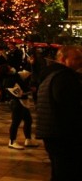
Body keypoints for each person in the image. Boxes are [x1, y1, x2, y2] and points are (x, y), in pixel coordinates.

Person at [36, 46, 82, 181]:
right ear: (63, 59)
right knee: (66, 171)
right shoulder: (64, 77)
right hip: (63, 133)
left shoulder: (51, 75)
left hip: (53, 131)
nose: (81, 61)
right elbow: (69, 103)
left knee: (59, 170)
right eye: (77, 58)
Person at [0, 64, 39, 150]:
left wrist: (31, 64)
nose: (11, 68)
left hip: (23, 102)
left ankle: (28, 139)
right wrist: (31, 90)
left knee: (28, 120)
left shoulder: (15, 75)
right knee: (15, 122)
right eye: (9, 68)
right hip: (17, 103)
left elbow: (26, 73)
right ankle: (12, 141)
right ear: (7, 71)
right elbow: (19, 94)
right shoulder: (8, 81)